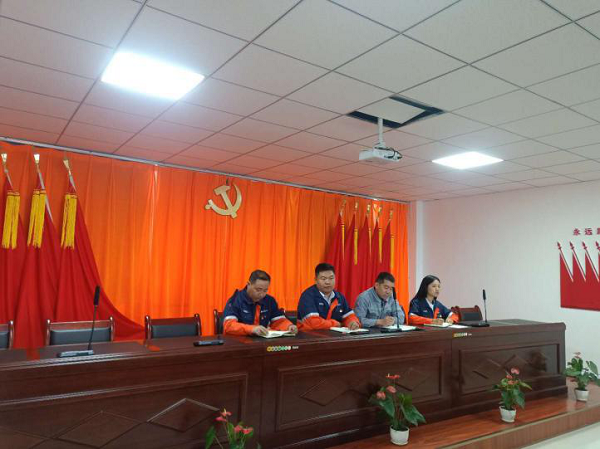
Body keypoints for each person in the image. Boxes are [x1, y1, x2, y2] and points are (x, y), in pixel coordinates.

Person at [223, 270, 297, 336]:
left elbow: (278, 321)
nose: (262, 294)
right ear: (248, 284)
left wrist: (289, 326)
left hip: (262, 342)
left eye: (265, 290)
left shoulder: (269, 300)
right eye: (258, 290)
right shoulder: (236, 300)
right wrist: (252, 329)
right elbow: (229, 326)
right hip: (240, 343)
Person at [297, 263, 361, 330]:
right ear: (316, 280)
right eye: (323, 279)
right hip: (309, 334)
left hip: (332, 334)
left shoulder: (339, 297)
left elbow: (349, 316)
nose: (327, 282)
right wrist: (336, 324)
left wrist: (353, 322)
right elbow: (314, 323)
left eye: (331, 278)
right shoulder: (307, 296)